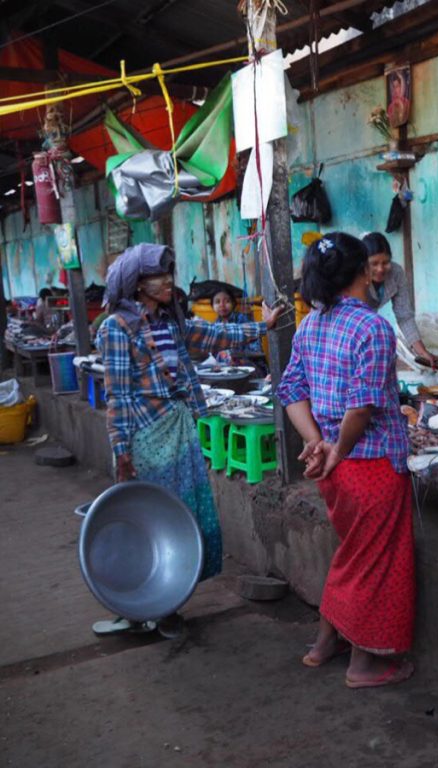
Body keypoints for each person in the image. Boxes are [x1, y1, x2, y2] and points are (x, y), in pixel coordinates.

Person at [96, 244, 283, 628]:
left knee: (185, 518)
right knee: (153, 521)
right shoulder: (116, 328)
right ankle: (144, 605)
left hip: (180, 428)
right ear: (138, 286)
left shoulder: (173, 320)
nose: (168, 283)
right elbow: (117, 394)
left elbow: (214, 335)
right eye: (158, 278)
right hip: (145, 435)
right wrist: (121, 450)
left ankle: (170, 603)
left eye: (168, 275)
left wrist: (264, 326)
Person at [278, 231, 415, 689]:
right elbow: (362, 407)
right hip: (370, 463)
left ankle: (323, 644)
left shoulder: (311, 324)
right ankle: (365, 663)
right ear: (362, 272)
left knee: (353, 553)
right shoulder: (373, 328)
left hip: (335, 470)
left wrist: (318, 444)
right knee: (374, 562)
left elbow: (291, 391)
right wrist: (336, 448)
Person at [361, 231, 438, 368]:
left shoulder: (396, 273)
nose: (380, 269)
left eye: (385, 262)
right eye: (374, 263)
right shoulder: (355, 275)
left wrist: (422, 352)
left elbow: (404, 316)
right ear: (363, 263)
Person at [211, 286, 265, 371]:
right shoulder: (214, 326)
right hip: (225, 369)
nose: (222, 305)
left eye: (227, 301)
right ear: (212, 306)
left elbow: (256, 351)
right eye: (217, 302)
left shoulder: (243, 320)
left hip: (250, 365)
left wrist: (234, 355)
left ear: (233, 304)